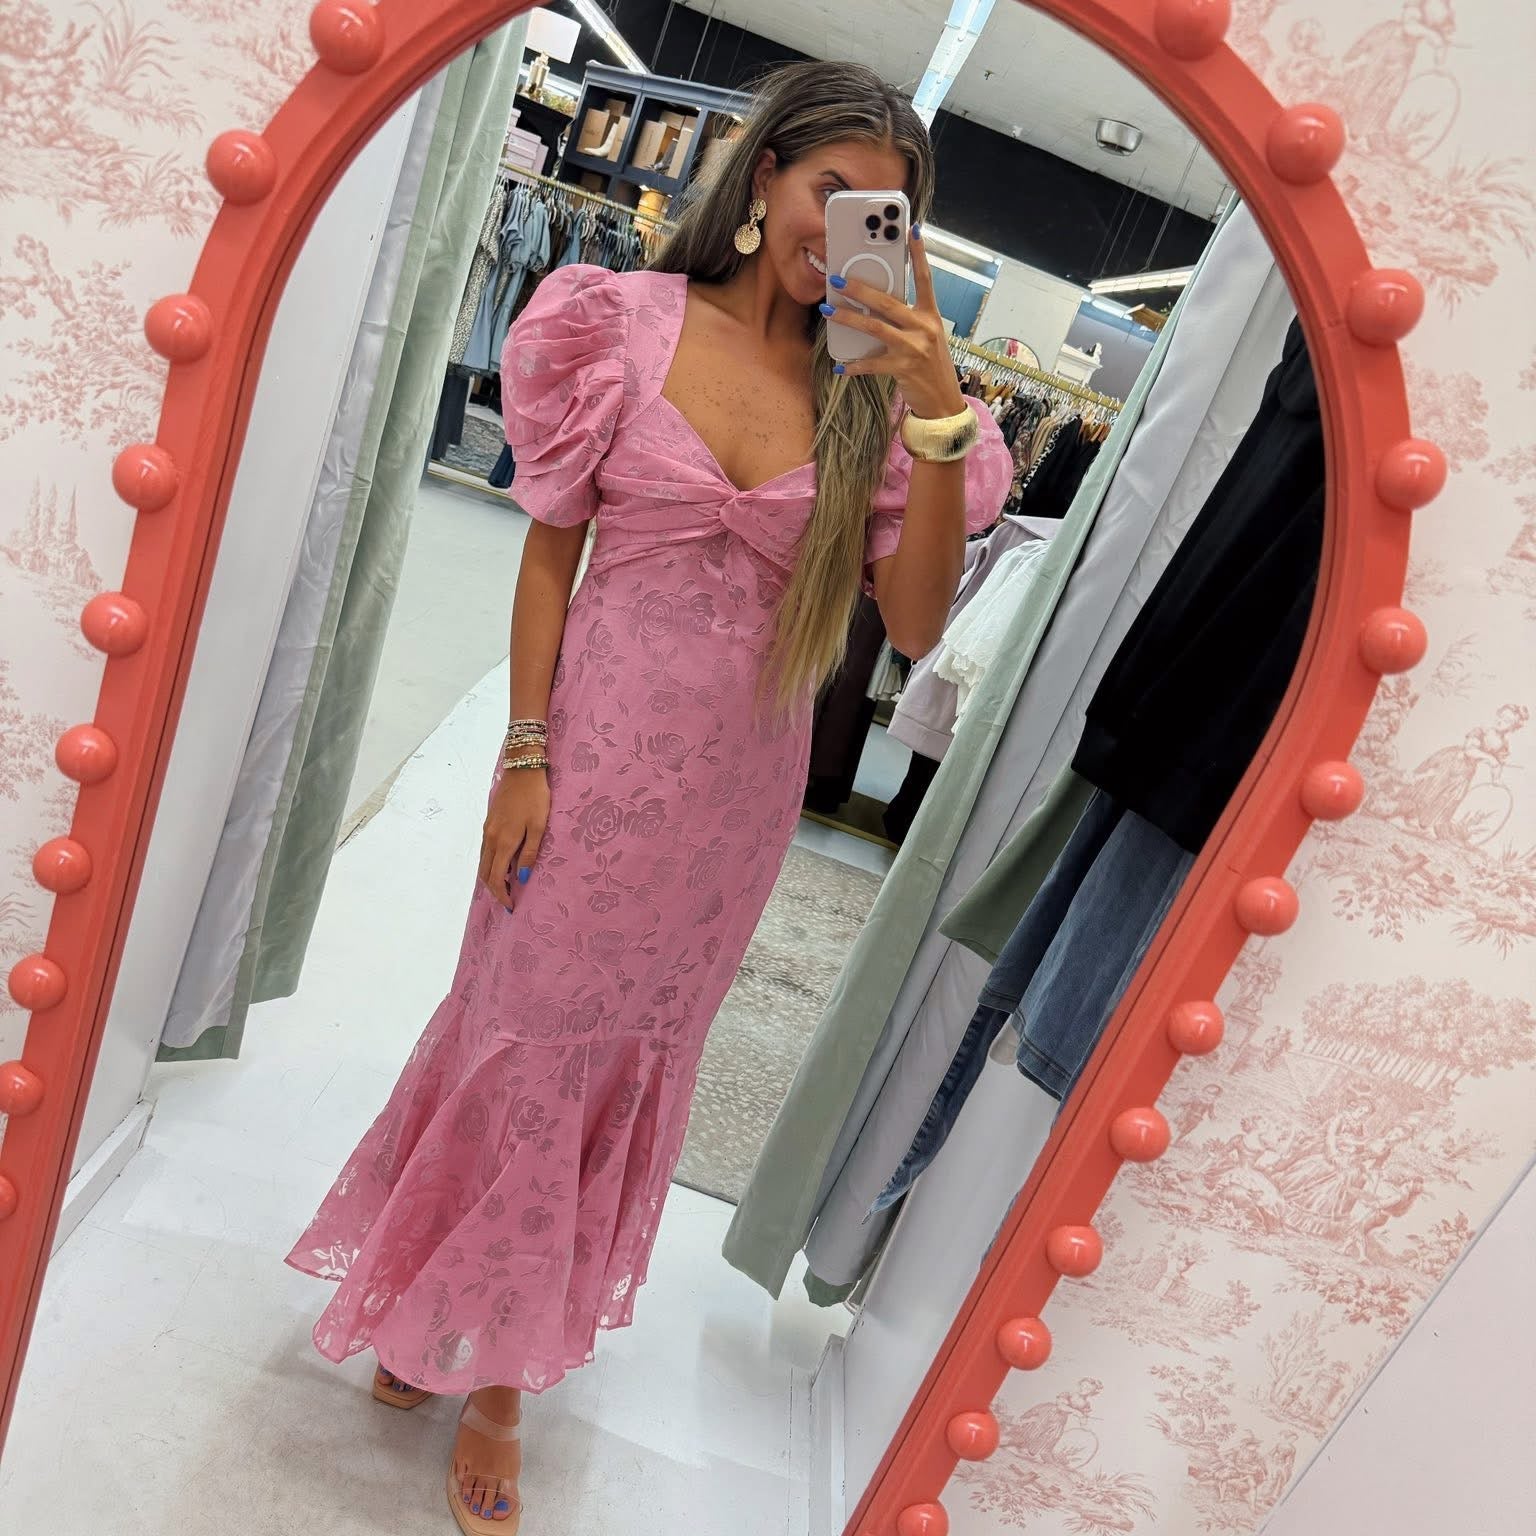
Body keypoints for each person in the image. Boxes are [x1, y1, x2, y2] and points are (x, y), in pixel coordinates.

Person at [285, 60, 1011, 1533]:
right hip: (585, 764)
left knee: (613, 1068)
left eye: (885, 214)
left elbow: (920, 623)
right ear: (765, 178)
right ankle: (442, 1295)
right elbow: (550, 552)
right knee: (513, 1037)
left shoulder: (881, 407)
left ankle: (501, 1379)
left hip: (728, 815)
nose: (847, 228)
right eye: (832, 191)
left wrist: (936, 408)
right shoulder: (613, 323)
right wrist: (522, 755)